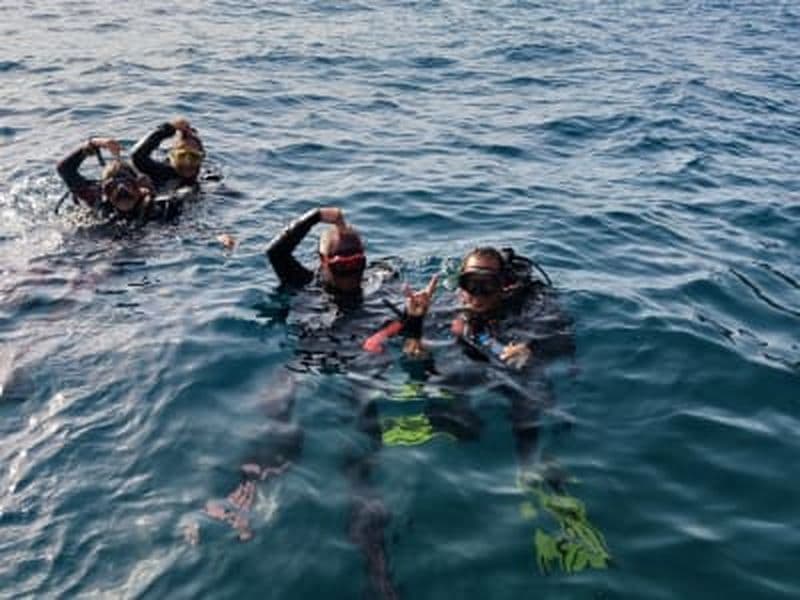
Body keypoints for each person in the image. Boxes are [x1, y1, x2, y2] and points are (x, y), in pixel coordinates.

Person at [201, 206, 401, 600]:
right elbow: (274, 252)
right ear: (322, 262)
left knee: (361, 460)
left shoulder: (379, 284)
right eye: (341, 266)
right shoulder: (304, 283)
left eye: (358, 265)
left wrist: (407, 323)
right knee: (279, 416)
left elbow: (406, 318)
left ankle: (375, 563)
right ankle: (245, 490)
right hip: (305, 364)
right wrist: (315, 217)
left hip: (358, 369)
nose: (351, 276)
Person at [381, 246, 610, 575]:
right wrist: (416, 320)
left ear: (503, 285)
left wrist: (531, 347)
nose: (476, 294)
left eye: (486, 285)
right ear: (459, 283)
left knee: (528, 398)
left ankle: (540, 475)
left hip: (514, 368)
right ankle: (443, 425)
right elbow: (414, 355)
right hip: (470, 366)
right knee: (450, 395)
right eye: (469, 283)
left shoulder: (527, 309)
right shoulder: (446, 308)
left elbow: (562, 334)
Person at [56, 137, 155, 219]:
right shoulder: (95, 197)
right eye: (112, 186)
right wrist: (93, 144)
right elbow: (65, 169)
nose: (121, 190)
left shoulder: (152, 200)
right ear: (104, 191)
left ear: (138, 187)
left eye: (128, 183)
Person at [131, 117, 205, 193]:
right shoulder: (161, 171)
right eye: (181, 156)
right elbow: (137, 156)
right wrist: (169, 128)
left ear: (201, 159)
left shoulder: (205, 177)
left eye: (194, 157)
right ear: (172, 156)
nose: (187, 162)